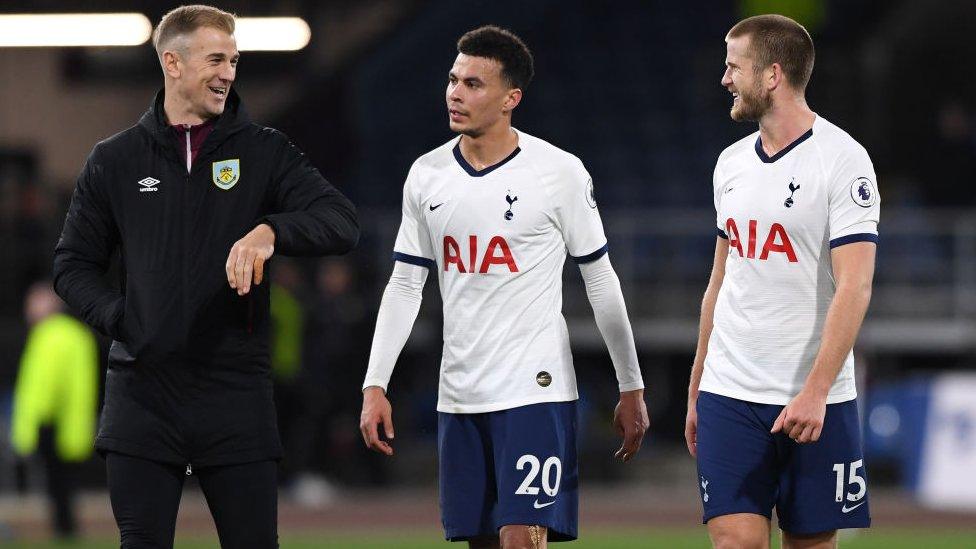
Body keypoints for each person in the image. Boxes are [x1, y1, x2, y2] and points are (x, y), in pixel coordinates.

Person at [52, 5, 359, 548]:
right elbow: (72, 265)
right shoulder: (114, 160)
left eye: (234, 61)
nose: (229, 73)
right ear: (172, 62)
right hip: (144, 394)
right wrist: (123, 319)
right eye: (216, 59)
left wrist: (270, 231)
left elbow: (341, 222)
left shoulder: (265, 151)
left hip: (234, 390)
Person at [359, 26, 648, 548]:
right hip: (461, 391)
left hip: (534, 387)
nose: (454, 93)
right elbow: (405, 285)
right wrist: (375, 383)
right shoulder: (426, 175)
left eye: (473, 83)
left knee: (520, 537)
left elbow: (600, 279)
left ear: (511, 98)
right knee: (483, 541)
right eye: (452, 80)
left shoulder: (557, 172)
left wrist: (631, 384)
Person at [685, 14, 878, 549]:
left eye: (734, 67)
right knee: (734, 542)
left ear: (771, 75)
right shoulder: (729, 165)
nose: (725, 79)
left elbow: (855, 285)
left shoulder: (844, 161)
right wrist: (698, 384)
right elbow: (719, 278)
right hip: (731, 393)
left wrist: (816, 393)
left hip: (815, 400)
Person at [10, 282, 98, 540]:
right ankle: (67, 531)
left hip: (52, 423)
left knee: (57, 487)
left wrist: (33, 423)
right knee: (65, 487)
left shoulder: (49, 335)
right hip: (74, 423)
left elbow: (45, 384)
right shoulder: (77, 334)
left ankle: (65, 533)